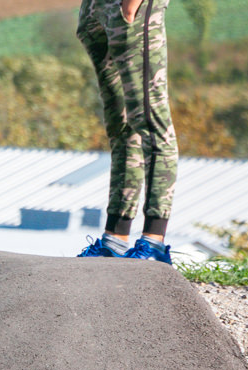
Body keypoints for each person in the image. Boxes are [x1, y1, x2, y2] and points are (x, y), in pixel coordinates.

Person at [75, 0, 178, 263]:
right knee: (121, 127)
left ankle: (153, 242)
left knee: (151, 122)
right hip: (97, 11)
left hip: (131, 9)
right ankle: (115, 240)